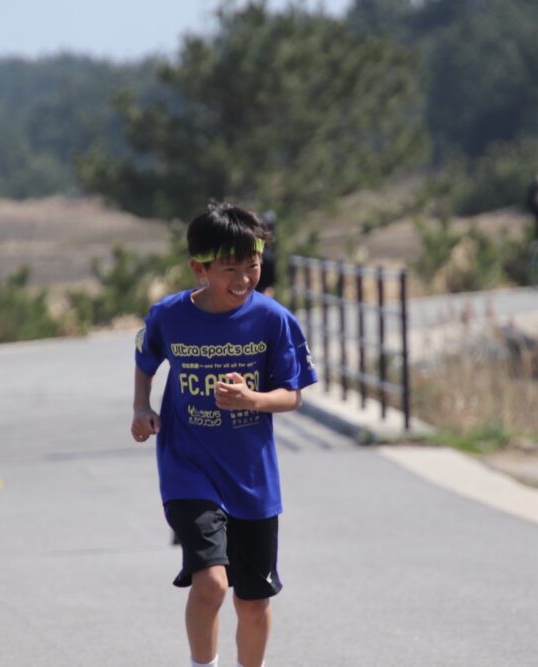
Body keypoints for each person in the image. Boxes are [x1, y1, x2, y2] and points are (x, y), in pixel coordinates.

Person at [131, 202, 318, 667]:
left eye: (252, 265)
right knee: (211, 583)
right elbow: (146, 360)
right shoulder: (170, 316)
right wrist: (141, 407)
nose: (244, 279)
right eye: (229, 269)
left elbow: (292, 396)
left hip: (252, 478)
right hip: (188, 470)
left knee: (253, 602)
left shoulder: (273, 320)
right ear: (200, 268)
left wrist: (253, 399)